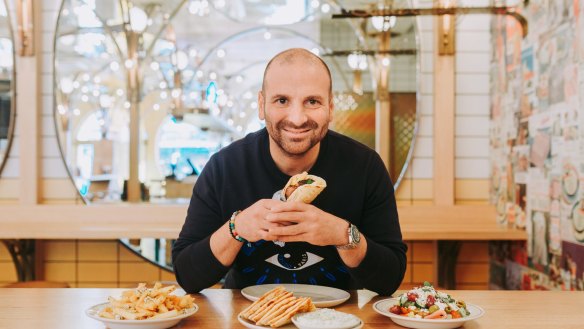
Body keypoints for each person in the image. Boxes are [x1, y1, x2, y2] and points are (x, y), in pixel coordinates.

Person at [172, 48, 407, 295]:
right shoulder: (224, 168)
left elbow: (390, 279)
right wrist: (236, 227)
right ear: (262, 105)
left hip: (338, 320)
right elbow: (187, 276)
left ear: (330, 108)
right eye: (282, 100)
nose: (297, 119)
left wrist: (343, 234)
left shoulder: (365, 167)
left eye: (312, 101)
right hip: (247, 318)